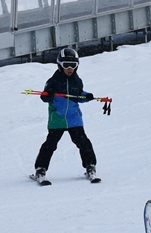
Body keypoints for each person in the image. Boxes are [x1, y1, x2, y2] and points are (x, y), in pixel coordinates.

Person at [32, 47, 100, 183]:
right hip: (57, 119)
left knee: (83, 143)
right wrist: (48, 94)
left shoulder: (77, 81)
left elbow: (78, 96)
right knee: (50, 144)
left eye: (73, 65)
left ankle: (90, 166)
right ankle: (41, 168)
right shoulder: (53, 81)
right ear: (59, 65)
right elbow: (44, 97)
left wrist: (86, 96)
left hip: (74, 119)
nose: (70, 68)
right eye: (66, 65)